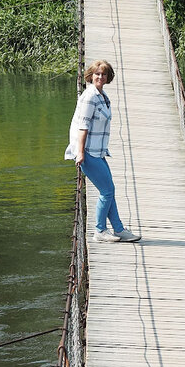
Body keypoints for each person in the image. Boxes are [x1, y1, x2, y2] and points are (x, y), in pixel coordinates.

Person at [64, 60, 142, 243]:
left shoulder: (101, 95)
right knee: (107, 191)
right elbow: (82, 127)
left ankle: (119, 229)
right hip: (88, 152)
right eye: (97, 74)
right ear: (91, 76)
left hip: (98, 151)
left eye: (104, 74)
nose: (100, 77)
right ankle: (99, 231)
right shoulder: (90, 96)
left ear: (108, 77)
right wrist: (81, 153)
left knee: (109, 190)